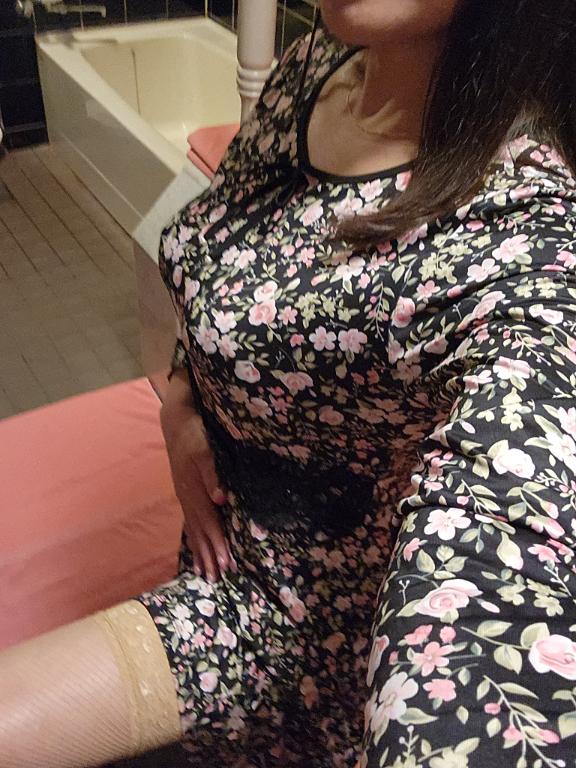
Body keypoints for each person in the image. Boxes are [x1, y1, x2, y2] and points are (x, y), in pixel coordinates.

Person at [2, 1, 576, 766]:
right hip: (220, 551)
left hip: (307, 637)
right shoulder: (313, 71)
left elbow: (511, 557)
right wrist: (184, 395)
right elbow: (226, 253)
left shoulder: (527, 223)